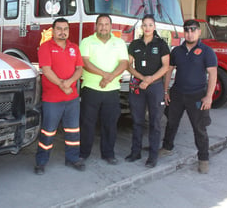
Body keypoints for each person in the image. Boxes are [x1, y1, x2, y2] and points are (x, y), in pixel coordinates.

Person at [159, 19, 217, 174]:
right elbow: (169, 71)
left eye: (193, 30)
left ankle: (203, 159)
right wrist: (166, 91)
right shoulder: (177, 51)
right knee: (171, 122)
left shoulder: (207, 51)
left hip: (197, 96)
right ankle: (167, 147)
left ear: (199, 32)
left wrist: (209, 96)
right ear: (184, 32)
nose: (190, 33)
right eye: (187, 30)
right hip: (177, 93)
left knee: (199, 128)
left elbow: (213, 74)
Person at [34, 17, 85, 175]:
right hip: (52, 100)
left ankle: (72, 158)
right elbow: (47, 71)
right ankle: (41, 162)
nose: (63, 32)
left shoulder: (74, 48)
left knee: (73, 131)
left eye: (65, 29)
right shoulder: (45, 47)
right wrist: (63, 85)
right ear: (53, 30)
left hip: (72, 99)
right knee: (48, 131)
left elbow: (79, 69)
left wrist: (68, 83)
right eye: (59, 29)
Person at [79, 14, 129, 165]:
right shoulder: (87, 41)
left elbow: (124, 63)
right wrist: (105, 75)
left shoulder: (119, 43)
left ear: (111, 26)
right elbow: (85, 62)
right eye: (100, 24)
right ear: (96, 26)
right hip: (90, 88)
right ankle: (83, 154)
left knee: (110, 124)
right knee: (87, 123)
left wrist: (110, 77)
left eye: (106, 24)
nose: (103, 27)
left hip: (112, 90)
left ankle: (108, 154)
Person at [125, 14, 170, 168]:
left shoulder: (161, 44)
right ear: (141, 27)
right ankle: (135, 152)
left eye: (150, 25)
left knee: (155, 122)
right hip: (138, 85)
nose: (147, 28)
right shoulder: (135, 44)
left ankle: (152, 156)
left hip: (155, 86)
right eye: (145, 25)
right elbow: (128, 65)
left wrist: (150, 79)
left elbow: (165, 66)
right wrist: (142, 78)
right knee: (137, 121)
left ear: (154, 27)